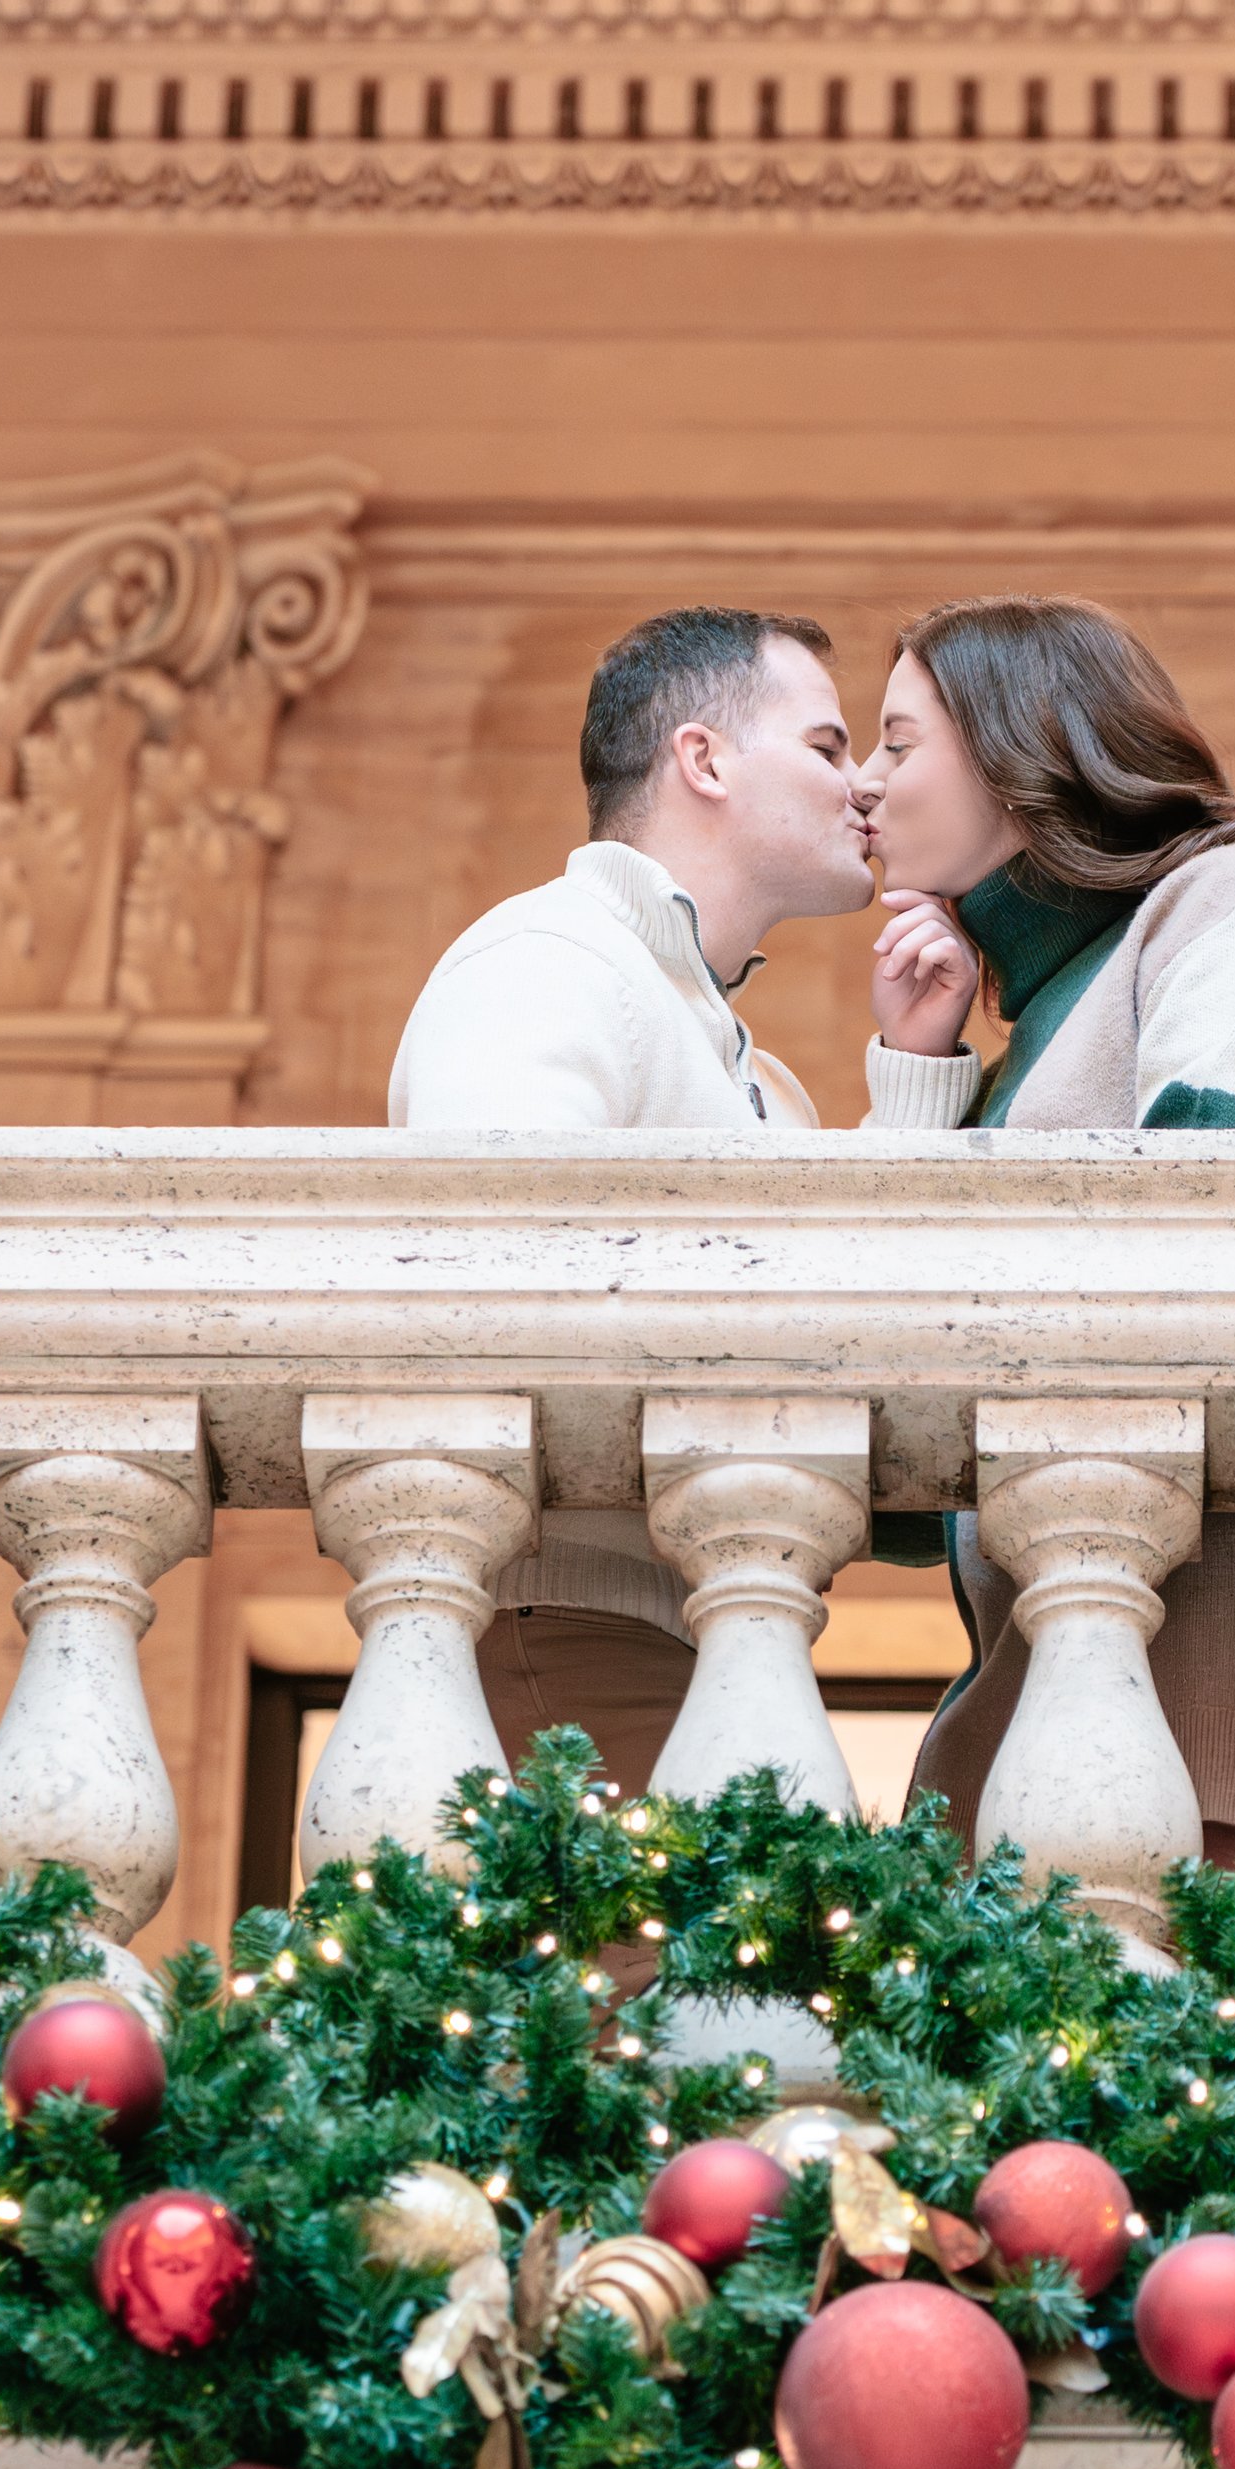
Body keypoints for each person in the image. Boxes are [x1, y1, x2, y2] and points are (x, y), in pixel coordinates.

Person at [858, 595, 1235, 1865]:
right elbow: (888, 1454)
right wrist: (916, 1073)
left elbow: (1216, 1226)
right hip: (1069, 1727)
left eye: (896, 743)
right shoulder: (1048, 1015)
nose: (866, 789)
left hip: (1210, 1747)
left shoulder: (1224, 904)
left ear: (1016, 744)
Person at [389, 605, 968, 1785]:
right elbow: (486, 1286)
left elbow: (859, 1326)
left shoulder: (754, 1074)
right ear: (701, 759)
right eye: (824, 744)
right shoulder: (547, 963)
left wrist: (910, 1072)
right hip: (568, 1635)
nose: (863, 784)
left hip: (696, 1633)